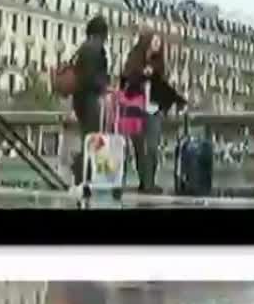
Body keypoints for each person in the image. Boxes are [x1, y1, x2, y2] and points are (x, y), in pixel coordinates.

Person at [119, 30, 187, 194]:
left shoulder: (159, 63)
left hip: (154, 109)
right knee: (139, 148)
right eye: (155, 41)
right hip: (135, 109)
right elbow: (125, 82)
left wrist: (177, 101)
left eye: (159, 42)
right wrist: (142, 74)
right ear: (146, 42)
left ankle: (150, 182)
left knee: (152, 147)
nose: (158, 44)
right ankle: (144, 181)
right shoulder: (134, 59)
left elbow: (162, 86)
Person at [70, 15, 110, 186]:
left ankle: (82, 173)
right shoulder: (97, 49)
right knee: (93, 138)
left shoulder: (83, 48)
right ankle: (84, 174)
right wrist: (104, 86)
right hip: (91, 99)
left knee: (87, 137)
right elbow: (93, 77)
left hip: (79, 98)